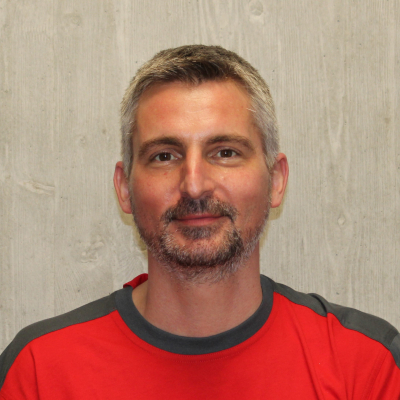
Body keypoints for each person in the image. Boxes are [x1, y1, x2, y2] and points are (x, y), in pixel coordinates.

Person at [0, 45, 399, 399]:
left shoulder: (365, 365)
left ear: (276, 181)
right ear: (124, 188)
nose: (193, 184)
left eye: (225, 152)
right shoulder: (39, 371)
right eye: (164, 156)